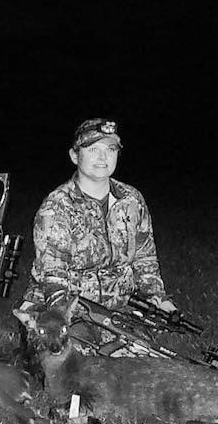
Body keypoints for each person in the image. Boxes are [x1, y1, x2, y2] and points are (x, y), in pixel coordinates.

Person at [19, 117, 176, 353]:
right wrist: (64, 318)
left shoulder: (131, 199)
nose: (103, 158)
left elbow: (145, 257)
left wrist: (158, 299)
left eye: (110, 149)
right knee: (77, 367)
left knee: (146, 361)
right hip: (68, 310)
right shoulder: (57, 206)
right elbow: (54, 277)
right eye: (93, 149)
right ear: (75, 156)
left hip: (120, 307)